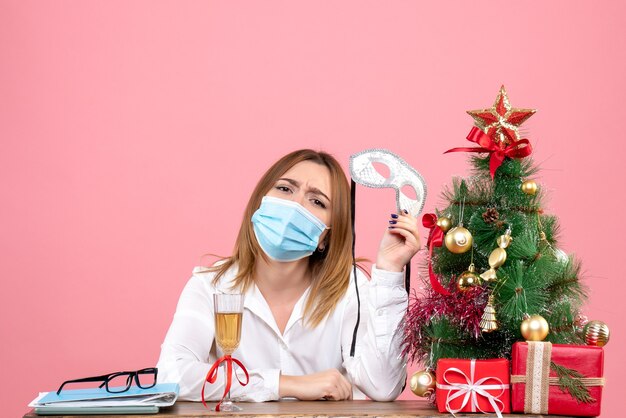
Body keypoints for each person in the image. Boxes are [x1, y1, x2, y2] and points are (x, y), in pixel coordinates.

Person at [156, 149, 421, 402]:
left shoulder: (351, 289)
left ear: (327, 235)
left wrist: (389, 271)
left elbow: (383, 386)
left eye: (316, 201)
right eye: (285, 189)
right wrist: (285, 384)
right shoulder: (209, 285)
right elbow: (171, 374)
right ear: (259, 202)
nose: (295, 205)